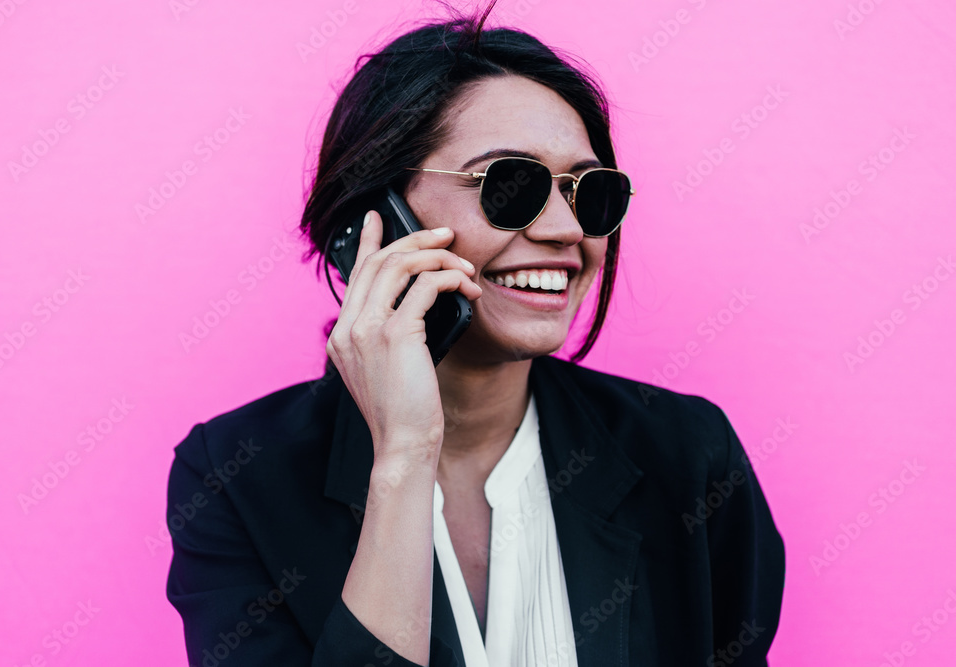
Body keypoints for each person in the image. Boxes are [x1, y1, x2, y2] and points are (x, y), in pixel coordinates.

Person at [165, 3, 786, 666]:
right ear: (379, 218)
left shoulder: (688, 456)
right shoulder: (236, 476)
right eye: (510, 184)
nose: (566, 229)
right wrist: (404, 460)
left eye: (589, 191)